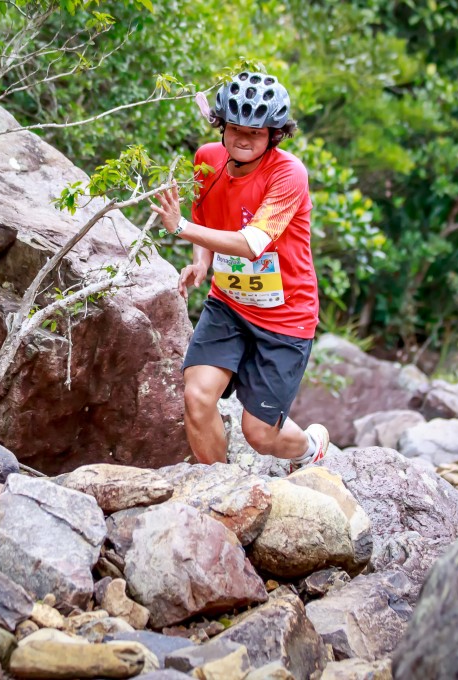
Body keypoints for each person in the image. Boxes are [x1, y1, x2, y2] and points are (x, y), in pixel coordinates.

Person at [151, 71, 329, 473]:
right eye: (234, 129)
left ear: (274, 134)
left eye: (256, 132)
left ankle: (310, 447)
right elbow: (205, 216)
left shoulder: (288, 174)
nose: (242, 140)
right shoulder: (207, 159)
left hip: (285, 317)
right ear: (221, 125)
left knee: (260, 434)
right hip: (228, 305)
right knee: (197, 397)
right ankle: (222, 486)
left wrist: (179, 229)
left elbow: (252, 243)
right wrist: (200, 261)